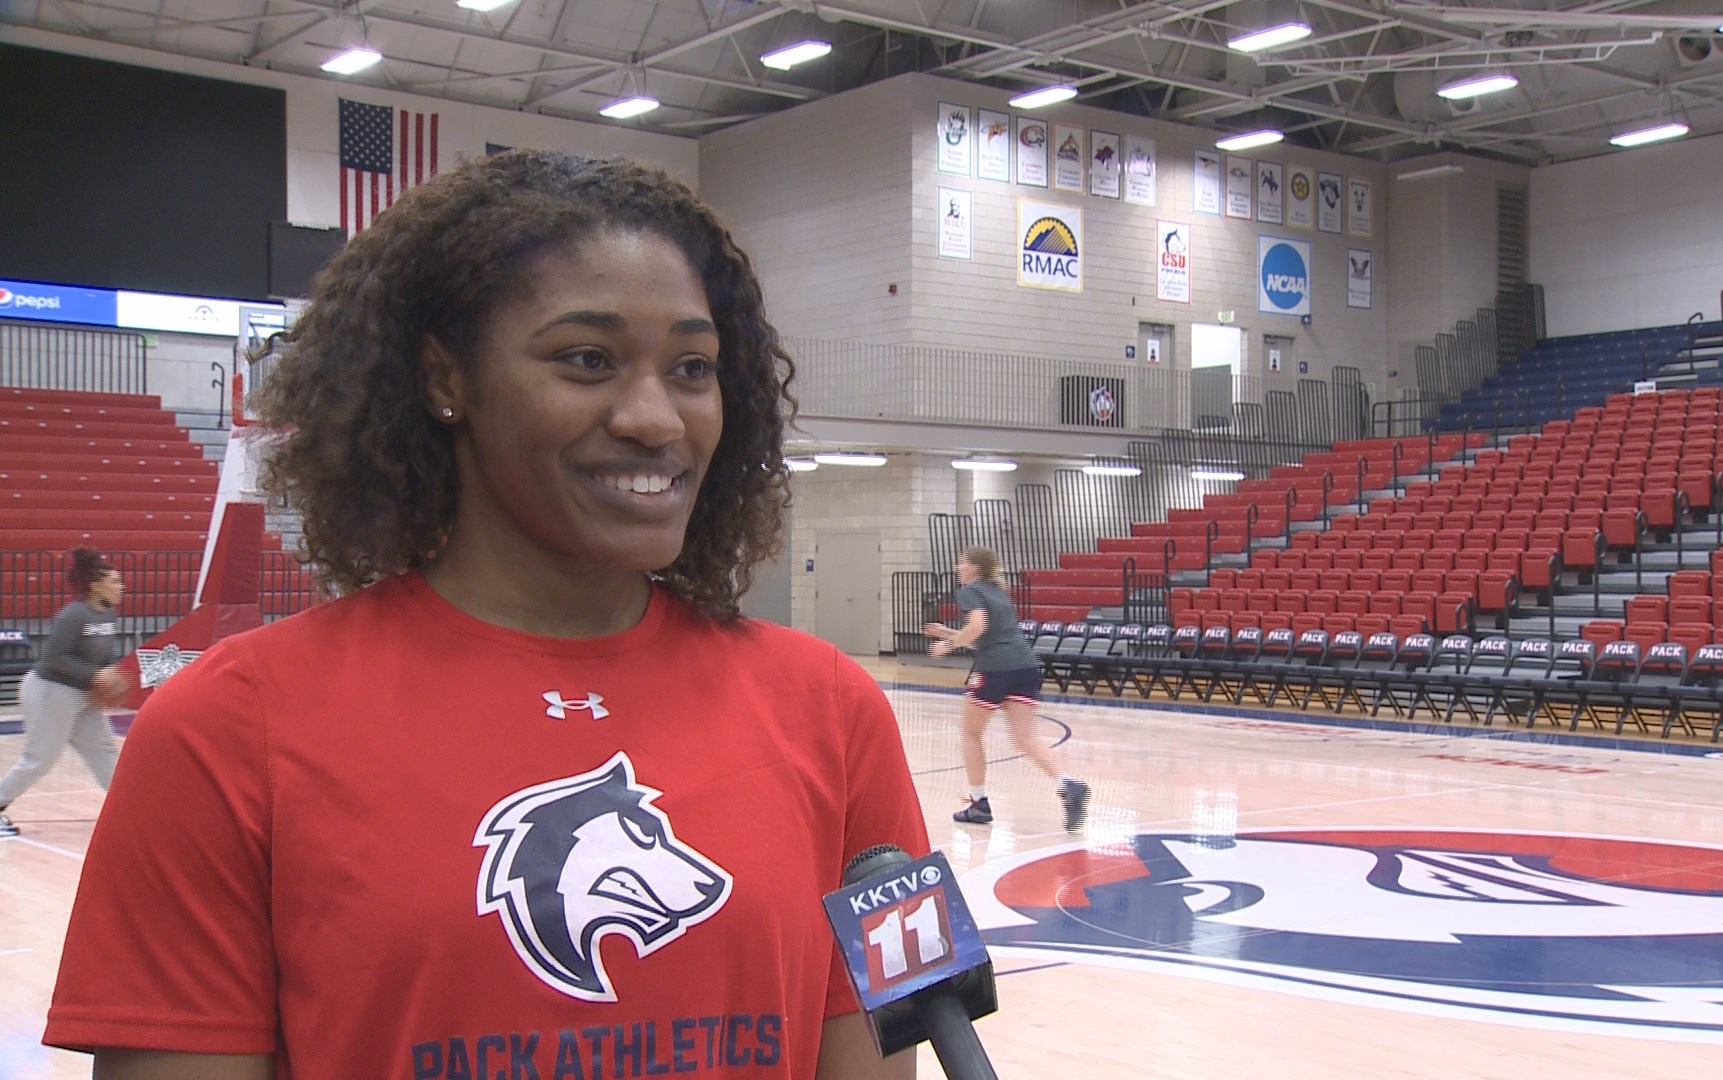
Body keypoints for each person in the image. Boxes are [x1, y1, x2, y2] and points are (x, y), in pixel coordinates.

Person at [44, 150, 928, 1080]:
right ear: (445, 379)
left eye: (692, 367)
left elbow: (895, 1045)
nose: (655, 417)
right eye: (587, 360)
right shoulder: (226, 731)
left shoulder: (835, 710)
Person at [923, 548, 1090, 830]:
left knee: (970, 734)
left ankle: (978, 803)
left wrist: (948, 645)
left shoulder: (971, 591)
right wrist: (949, 633)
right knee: (1026, 738)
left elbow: (977, 627)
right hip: (1025, 667)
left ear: (975, 568)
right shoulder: (998, 592)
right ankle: (1067, 783)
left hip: (996, 670)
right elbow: (986, 638)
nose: (958, 565)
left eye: (963, 561)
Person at [0, 547, 128, 839]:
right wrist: (96, 675)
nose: (121, 587)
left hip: (82, 694)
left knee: (105, 751)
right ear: (95, 585)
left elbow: (103, 655)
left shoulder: (107, 614)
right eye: (115, 581)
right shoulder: (73, 615)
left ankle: (130, 808)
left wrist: (110, 674)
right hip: (50, 690)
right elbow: (53, 658)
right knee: (41, 758)